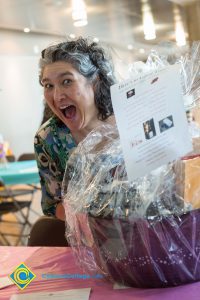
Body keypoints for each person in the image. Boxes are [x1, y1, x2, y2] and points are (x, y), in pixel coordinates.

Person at [33, 37, 116, 241]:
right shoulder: (49, 139)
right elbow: (52, 205)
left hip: (146, 232)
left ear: (94, 83)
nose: (57, 95)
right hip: (89, 243)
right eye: (48, 85)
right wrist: (84, 218)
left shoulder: (129, 121)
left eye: (66, 81)